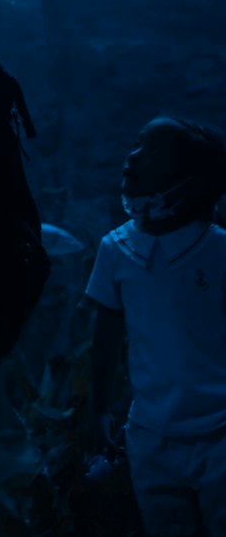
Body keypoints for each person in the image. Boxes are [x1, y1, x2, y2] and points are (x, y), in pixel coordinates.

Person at [86, 115, 226, 537]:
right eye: (139, 142)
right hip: (149, 437)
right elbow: (105, 337)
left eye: (156, 150)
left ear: (194, 181)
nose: (134, 155)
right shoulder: (115, 249)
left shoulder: (218, 248)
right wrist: (98, 409)